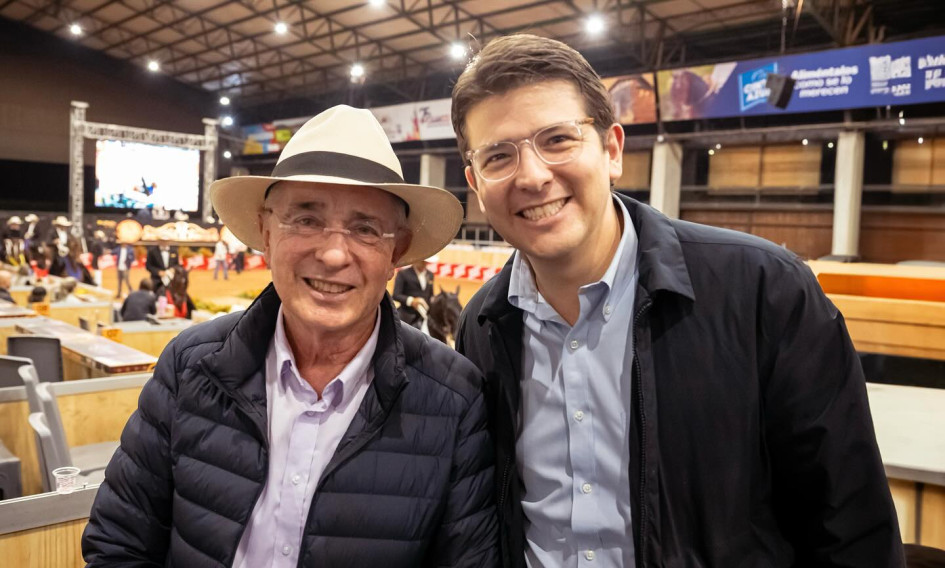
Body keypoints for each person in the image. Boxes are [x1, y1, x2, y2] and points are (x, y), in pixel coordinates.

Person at [452, 34, 903, 568]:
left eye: (557, 139)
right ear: (476, 185)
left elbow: (851, 528)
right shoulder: (482, 325)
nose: (531, 176)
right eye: (499, 156)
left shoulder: (765, 291)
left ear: (613, 149)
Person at [82, 105, 498, 567]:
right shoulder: (188, 365)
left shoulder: (455, 400)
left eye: (364, 228)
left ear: (395, 250)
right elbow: (118, 545)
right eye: (306, 219)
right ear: (264, 231)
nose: (334, 253)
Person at [392, 257, 434, 329]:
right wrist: (411, 301)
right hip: (406, 316)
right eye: (422, 262)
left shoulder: (430, 275)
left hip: (424, 316)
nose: (424, 264)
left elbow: (430, 294)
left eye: (426, 262)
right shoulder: (403, 274)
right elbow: (396, 295)